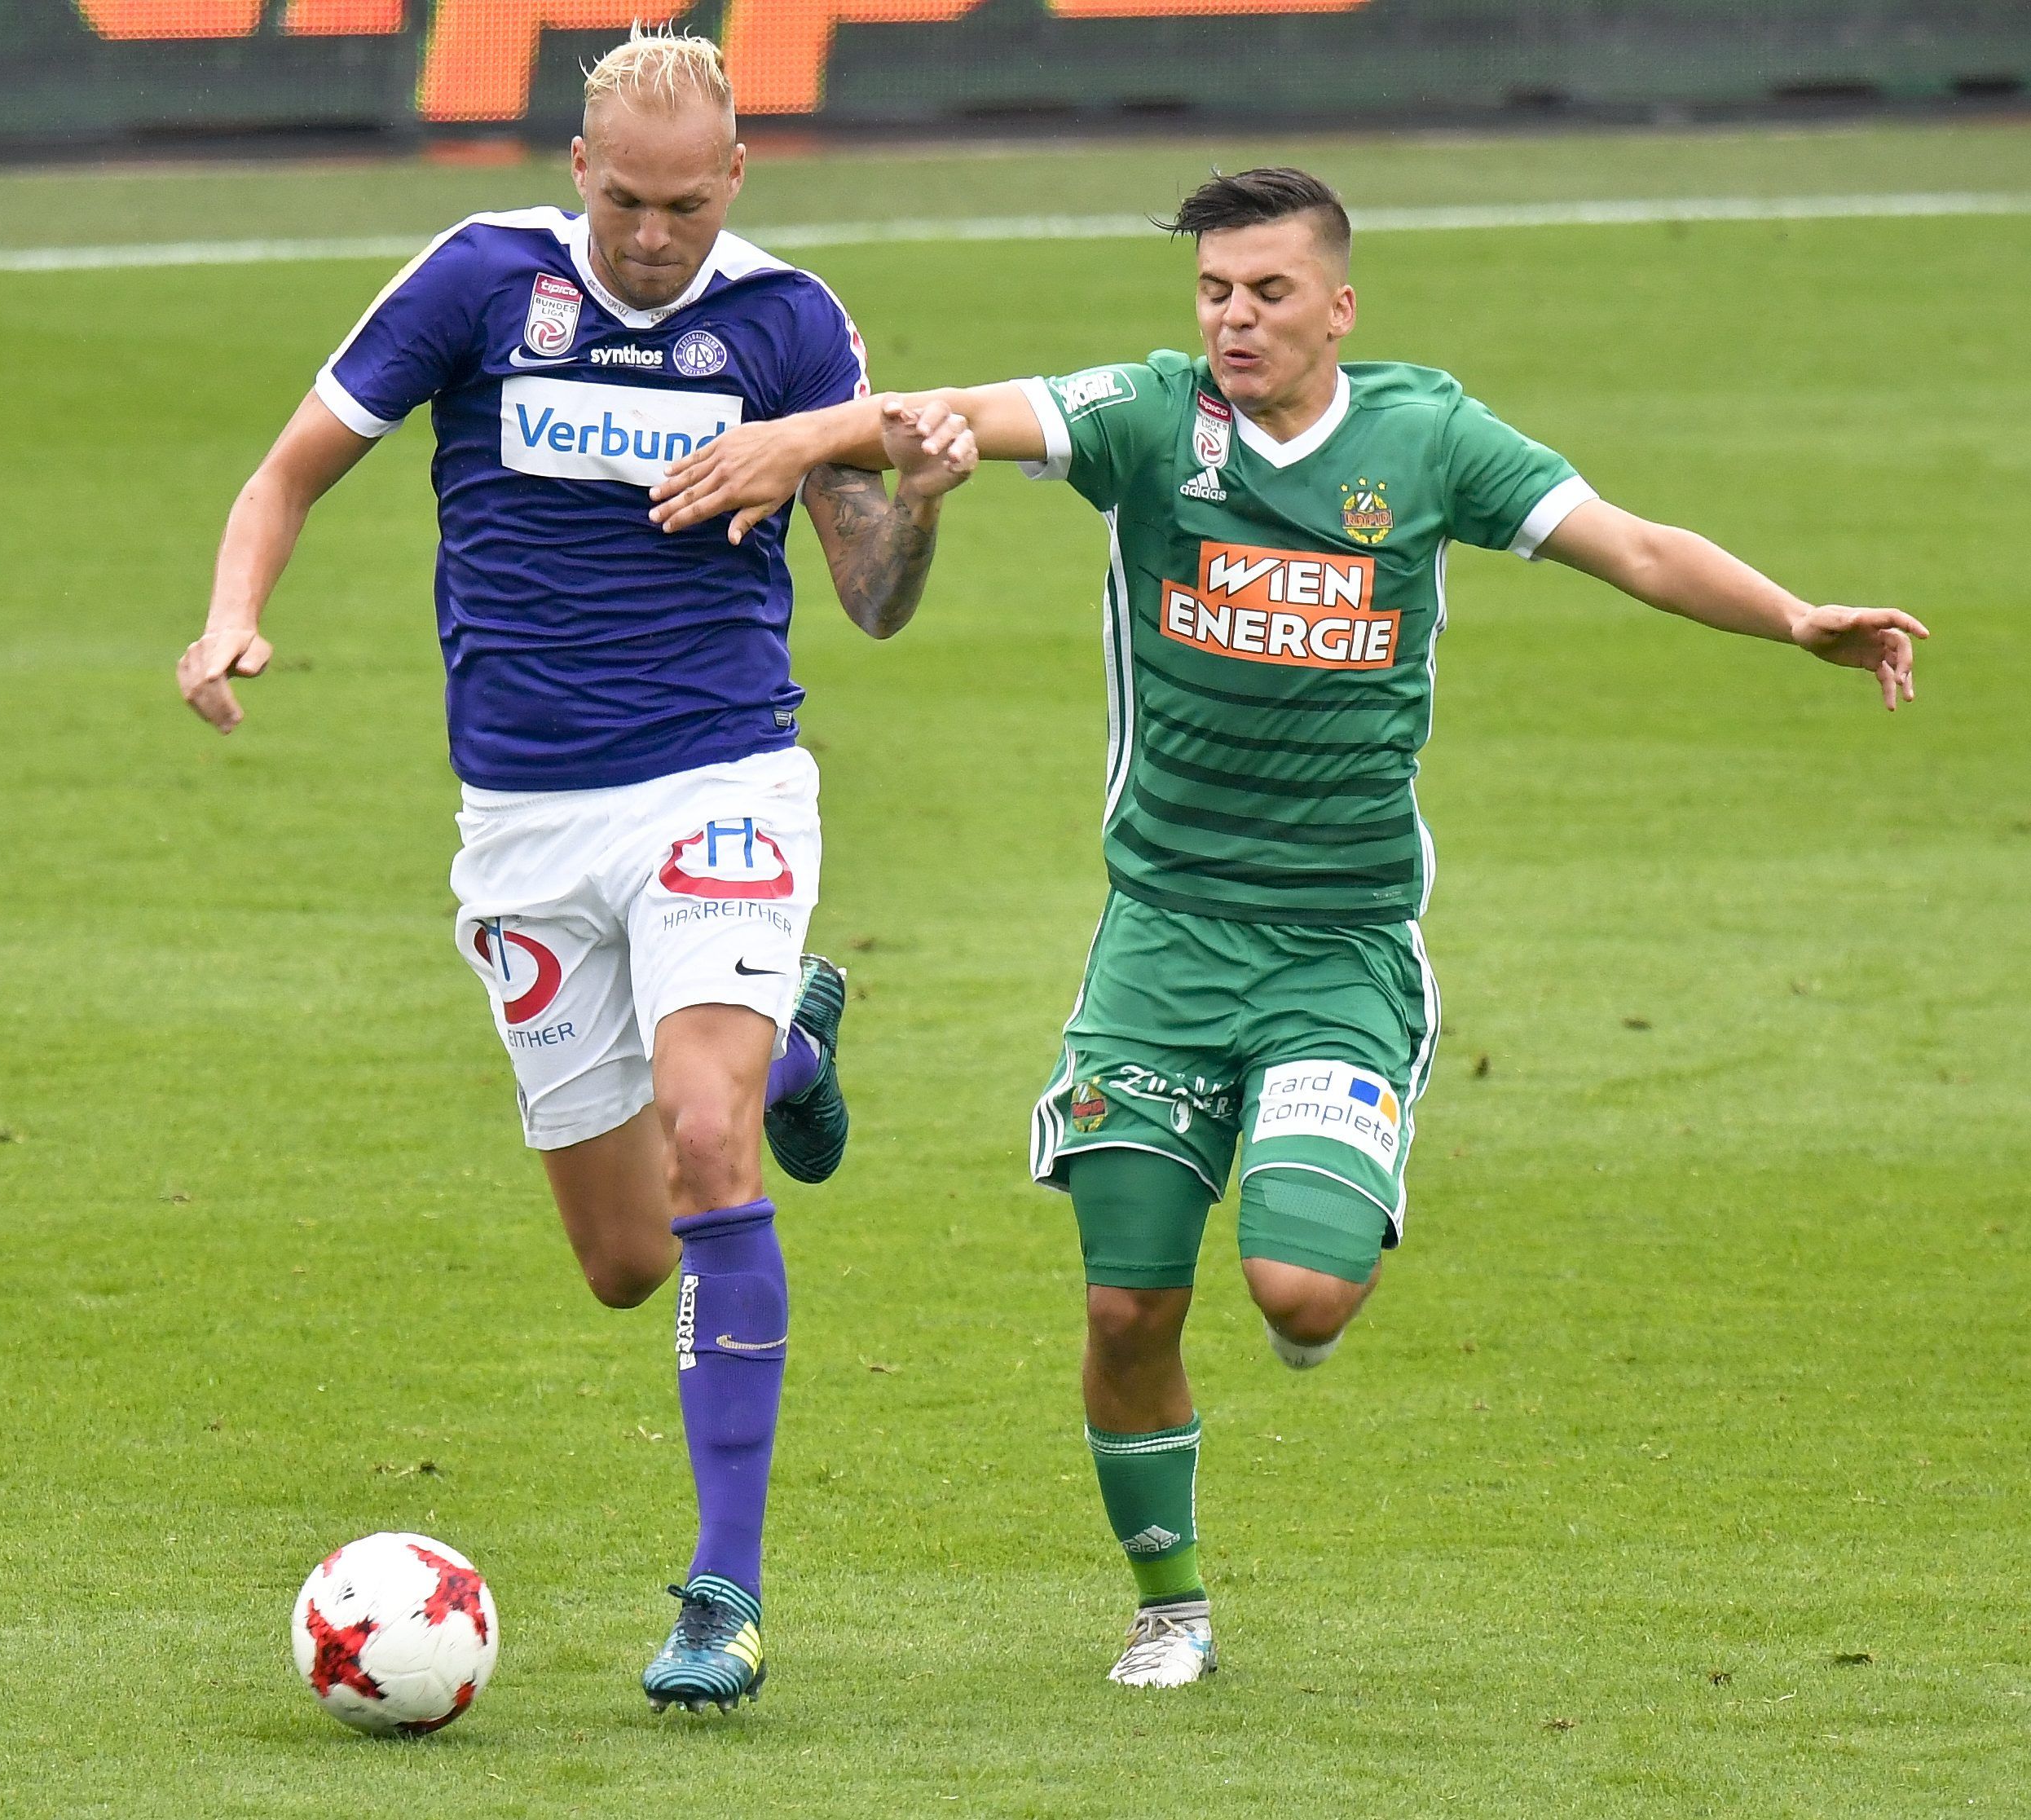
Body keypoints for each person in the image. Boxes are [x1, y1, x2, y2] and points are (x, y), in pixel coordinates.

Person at [648, 165, 1925, 1690]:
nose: (1233, 319)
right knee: (1127, 1299)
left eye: (1263, 293)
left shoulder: (1428, 437)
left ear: (1337, 306)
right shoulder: (1145, 416)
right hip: (1164, 939)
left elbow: (1632, 544)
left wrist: (1793, 619)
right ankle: (1169, 1607)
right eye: (1211, 292)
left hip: (1340, 948)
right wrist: (816, 434)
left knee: (1298, 1294)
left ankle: (1320, 1250)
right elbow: (955, 415)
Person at [177, 29, 976, 1713]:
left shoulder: (786, 326)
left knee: (707, 1135)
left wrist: (911, 491)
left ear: (736, 181)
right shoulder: (478, 284)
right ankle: (799, 1040)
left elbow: (878, 598)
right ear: (575, 168)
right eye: (626, 199)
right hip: (524, 826)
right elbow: (287, 470)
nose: (653, 235)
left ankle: (725, 1596)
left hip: (722, 780)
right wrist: (232, 612)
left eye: (688, 203)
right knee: (623, 1261)